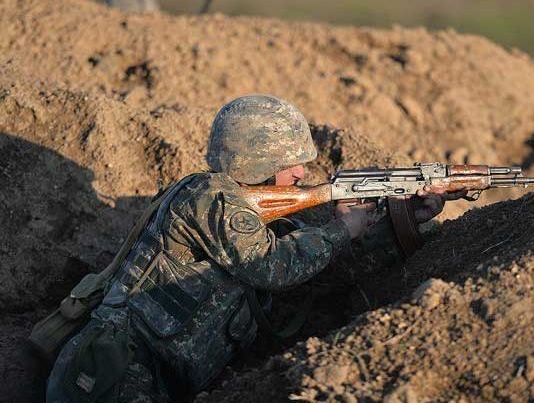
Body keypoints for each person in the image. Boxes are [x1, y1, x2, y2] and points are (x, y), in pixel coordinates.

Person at [45, 94, 454, 402]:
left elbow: (316, 274)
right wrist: (343, 227)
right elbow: (274, 268)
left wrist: (401, 225)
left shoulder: (253, 217)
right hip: (113, 372)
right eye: (288, 162)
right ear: (254, 162)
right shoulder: (209, 199)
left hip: (161, 376)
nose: (300, 172)